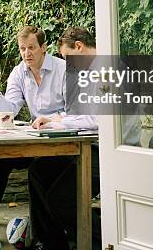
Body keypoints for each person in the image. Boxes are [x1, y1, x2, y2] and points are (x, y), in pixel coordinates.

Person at [0, 25, 67, 247]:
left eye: (31, 48)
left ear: (44, 48)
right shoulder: (19, 72)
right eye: (22, 49)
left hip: (65, 142)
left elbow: (75, 112)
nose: (26, 53)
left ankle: (44, 237)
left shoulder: (63, 69)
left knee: (38, 171)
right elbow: (10, 110)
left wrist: (51, 121)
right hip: (36, 142)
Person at [28, 27, 102, 250]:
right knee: (38, 171)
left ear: (78, 46)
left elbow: (96, 120)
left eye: (67, 57)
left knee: (61, 199)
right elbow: (78, 113)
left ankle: (103, 242)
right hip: (87, 146)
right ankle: (52, 244)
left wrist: (58, 122)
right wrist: (51, 120)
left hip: (108, 152)